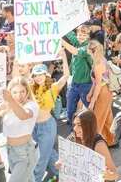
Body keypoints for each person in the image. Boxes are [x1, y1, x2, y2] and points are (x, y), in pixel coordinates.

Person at [0, 77, 40, 182]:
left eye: (22, 91)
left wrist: (10, 99)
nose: (19, 96)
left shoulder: (31, 105)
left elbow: (23, 115)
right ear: (10, 92)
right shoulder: (7, 106)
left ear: (27, 91)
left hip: (26, 153)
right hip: (11, 152)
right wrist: (1, 107)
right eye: (14, 92)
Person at [29, 52, 69, 182]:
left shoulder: (53, 87)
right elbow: (17, 79)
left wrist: (64, 57)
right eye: (36, 75)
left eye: (41, 74)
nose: (38, 77)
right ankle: (63, 172)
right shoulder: (30, 87)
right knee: (47, 152)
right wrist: (16, 64)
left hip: (47, 126)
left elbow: (66, 76)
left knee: (41, 157)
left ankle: (35, 179)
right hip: (34, 127)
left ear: (46, 75)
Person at [56, 109, 119, 181]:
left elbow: (115, 174)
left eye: (79, 125)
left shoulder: (99, 145)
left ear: (89, 126)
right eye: (74, 124)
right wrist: (61, 164)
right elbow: (66, 159)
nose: (75, 128)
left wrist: (108, 176)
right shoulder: (73, 137)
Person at [62, 26, 94, 130]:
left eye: (84, 35)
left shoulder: (88, 47)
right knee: (70, 109)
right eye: (80, 34)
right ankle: (73, 130)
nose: (81, 37)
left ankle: (91, 130)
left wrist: (61, 41)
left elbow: (75, 52)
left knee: (90, 110)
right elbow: (69, 33)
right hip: (74, 83)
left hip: (85, 84)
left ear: (88, 37)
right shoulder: (77, 42)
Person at [86, 41, 116, 146]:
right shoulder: (101, 59)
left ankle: (94, 143)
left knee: (97, 118)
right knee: (107, 116)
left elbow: (98, 84)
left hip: (103, 91)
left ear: (90, 50)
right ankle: (111, 140)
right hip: (107, 90)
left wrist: (92, 102)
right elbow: (97, 82)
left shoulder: (97, 65)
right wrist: (90, 93)